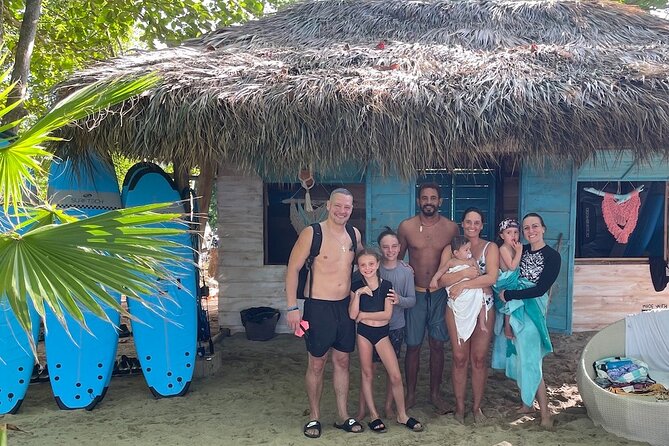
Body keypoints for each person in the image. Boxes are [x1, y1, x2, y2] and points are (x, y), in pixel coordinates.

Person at [285, 188, 363, 439]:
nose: (342, 211)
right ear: (328, 205)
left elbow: (366, 263)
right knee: (317, 363)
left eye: (347, 207)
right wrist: (292, 307)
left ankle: (342, 415)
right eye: (338, 206)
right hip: (317, 306)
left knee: (342, 361)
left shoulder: (354, 234)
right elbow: (292, 269)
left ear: (352, 209)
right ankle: (314, 417)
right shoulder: (312, 233)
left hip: (343, 307)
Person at [397, 183, 459, 413]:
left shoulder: (452, 229)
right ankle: (410, 394)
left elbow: (458, 259)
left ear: (441, 201)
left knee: (437, 345)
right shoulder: (406, 227)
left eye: (433, 198)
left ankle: (435, 394)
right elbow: (398, 259)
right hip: (415, 295)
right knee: (412, 345)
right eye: (424, 198)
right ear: (418, 201)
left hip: (440, 294)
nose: (429, 201)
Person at [496, 213, 561, 429]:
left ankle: (545, 414)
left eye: (534, 226)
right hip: (515, 313)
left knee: (532, 361)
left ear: (543, 228)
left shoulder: (552, 256)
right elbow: (511, 281)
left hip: (532, 313)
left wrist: (510, 295)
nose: (530, 230)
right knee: (521, 358)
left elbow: (540, 289)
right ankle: (527, 404)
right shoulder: (519, 253)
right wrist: (507, 320)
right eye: (526, 228)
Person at [350, 248, 424, 433]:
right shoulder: (356, 286)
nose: (367, 268)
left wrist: (364, 314)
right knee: (367, 374)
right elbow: (352, 315)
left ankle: (402, 415)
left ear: (377, 265)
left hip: (382, 334)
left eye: (371, 264)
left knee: (396, 375)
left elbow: (387, 315)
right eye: (363, 265)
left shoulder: (386, 286)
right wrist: (358, 294)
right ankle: (374, 415)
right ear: (358, 267)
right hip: (364, 334)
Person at [437, 207, 498, 424]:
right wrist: (463, 274)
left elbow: (490, 278)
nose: (472, 226)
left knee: (479, 359)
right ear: (462, 223)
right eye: (468, 222)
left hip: (484, 306)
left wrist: (464, 285)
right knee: (460, 358)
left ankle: (477, 407)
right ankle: (460, 407)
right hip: (456, 308)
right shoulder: (450, 249)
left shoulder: (490, 248)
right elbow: (442, 280)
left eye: (477, 222)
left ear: (482, 225)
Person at [430, 236, 487, 344]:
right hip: (458, 291)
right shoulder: (451, 262)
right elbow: (441, 272)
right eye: (466, 250)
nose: (469, 252)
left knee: (482, 301)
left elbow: (478, 273)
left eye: (469, 249)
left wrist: (474, 276)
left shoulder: (471, 261)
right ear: (456, 253)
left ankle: (482, 322)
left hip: (471, 288)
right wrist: (434, 279)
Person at [497, 218, 523, 339]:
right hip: (506, 281)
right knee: (510, 304)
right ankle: (507, 328)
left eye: (516, 232)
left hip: (512, 279)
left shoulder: (514, 247)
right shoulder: (503, 248)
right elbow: (512, 266)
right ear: (502, 235)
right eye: (509, 233)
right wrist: (519, 251)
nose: (513, 235)